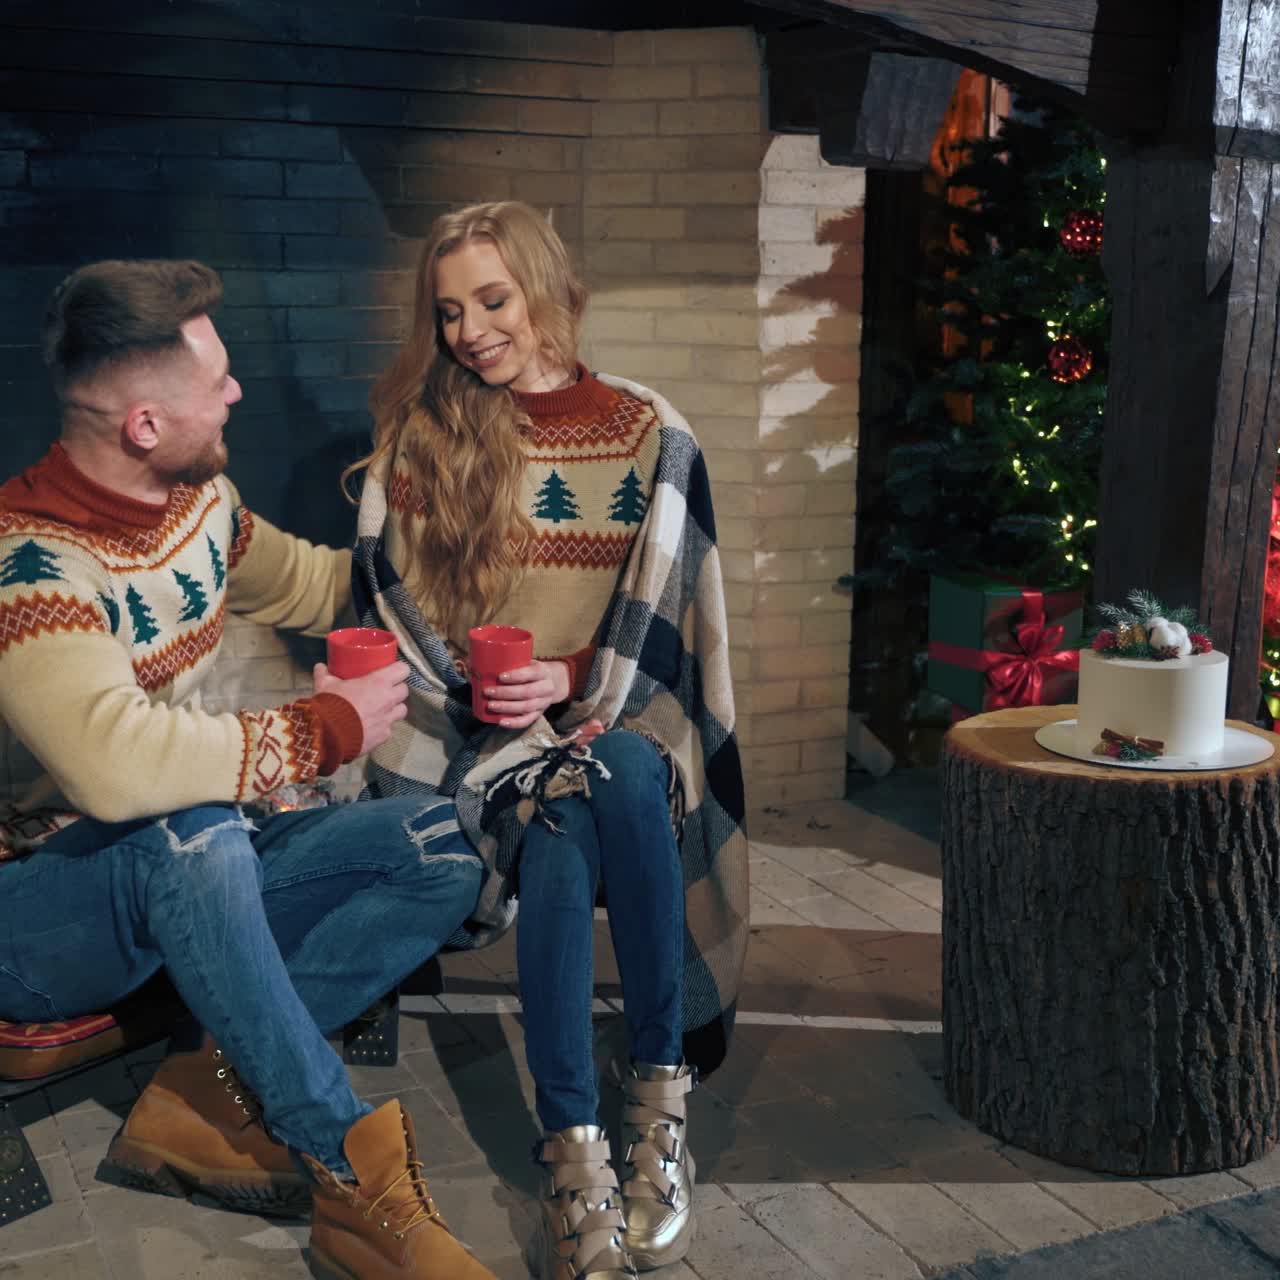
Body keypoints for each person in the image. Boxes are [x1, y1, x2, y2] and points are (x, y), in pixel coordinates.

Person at [0, 259, 497, 1280]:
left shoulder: (201, 503)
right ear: (144, 423)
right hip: (42, 907)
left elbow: (322, 583)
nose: (236, 393)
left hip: (195, 861)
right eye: (216, 380)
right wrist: (319, 730)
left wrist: (456, 558)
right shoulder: (30, 562)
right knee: (189, 821)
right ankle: (347, 1169)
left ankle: (200, 1098)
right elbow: (113, 767)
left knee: (449, 841)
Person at [347, 202, 750, 1279]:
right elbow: (403, 617)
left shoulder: (645, 435)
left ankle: (582, 1149)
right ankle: (637, 1119)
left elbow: (670, 623)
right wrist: (503, 693)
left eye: (491, 298)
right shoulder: (425, 442)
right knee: (574, 799)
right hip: (487, 738)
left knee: (609, 763)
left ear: (542, 287)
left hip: (623, 719)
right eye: (447, 312)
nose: (471, 330)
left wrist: (572, 678)